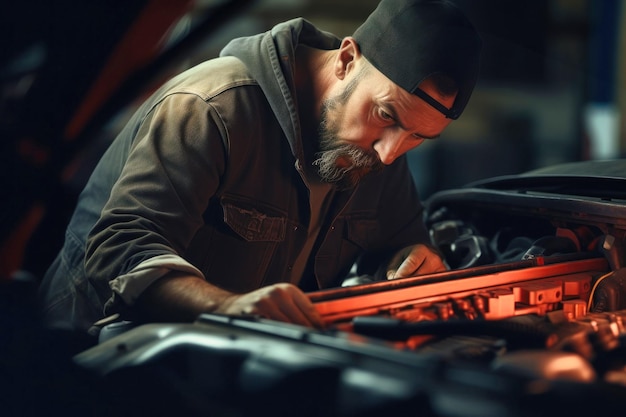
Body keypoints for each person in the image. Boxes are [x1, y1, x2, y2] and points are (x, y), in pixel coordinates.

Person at [39, 0, 482, 334]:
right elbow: (120, 250)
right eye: (386, 117)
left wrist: (414, 260)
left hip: (230, 367)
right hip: (86, 353)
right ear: (348, 60)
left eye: (419, 138)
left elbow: (406, 243)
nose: (391, 153)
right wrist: (228, 307)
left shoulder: (382, 152)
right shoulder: (211, 108)